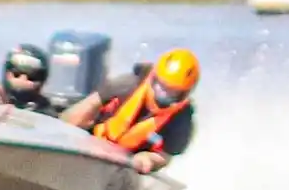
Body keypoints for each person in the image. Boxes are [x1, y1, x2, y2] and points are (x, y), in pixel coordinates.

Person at [59, 47, 199, 174]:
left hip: (128, 165)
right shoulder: (127, 84)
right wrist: (59, 132)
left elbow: (165, 156)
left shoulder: (182, 120)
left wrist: (148, 159)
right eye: (161, 86)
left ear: (184, 93)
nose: (162, 94)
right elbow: (88, 106)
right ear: (154, 78)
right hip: (92, 143)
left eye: (171, 92)